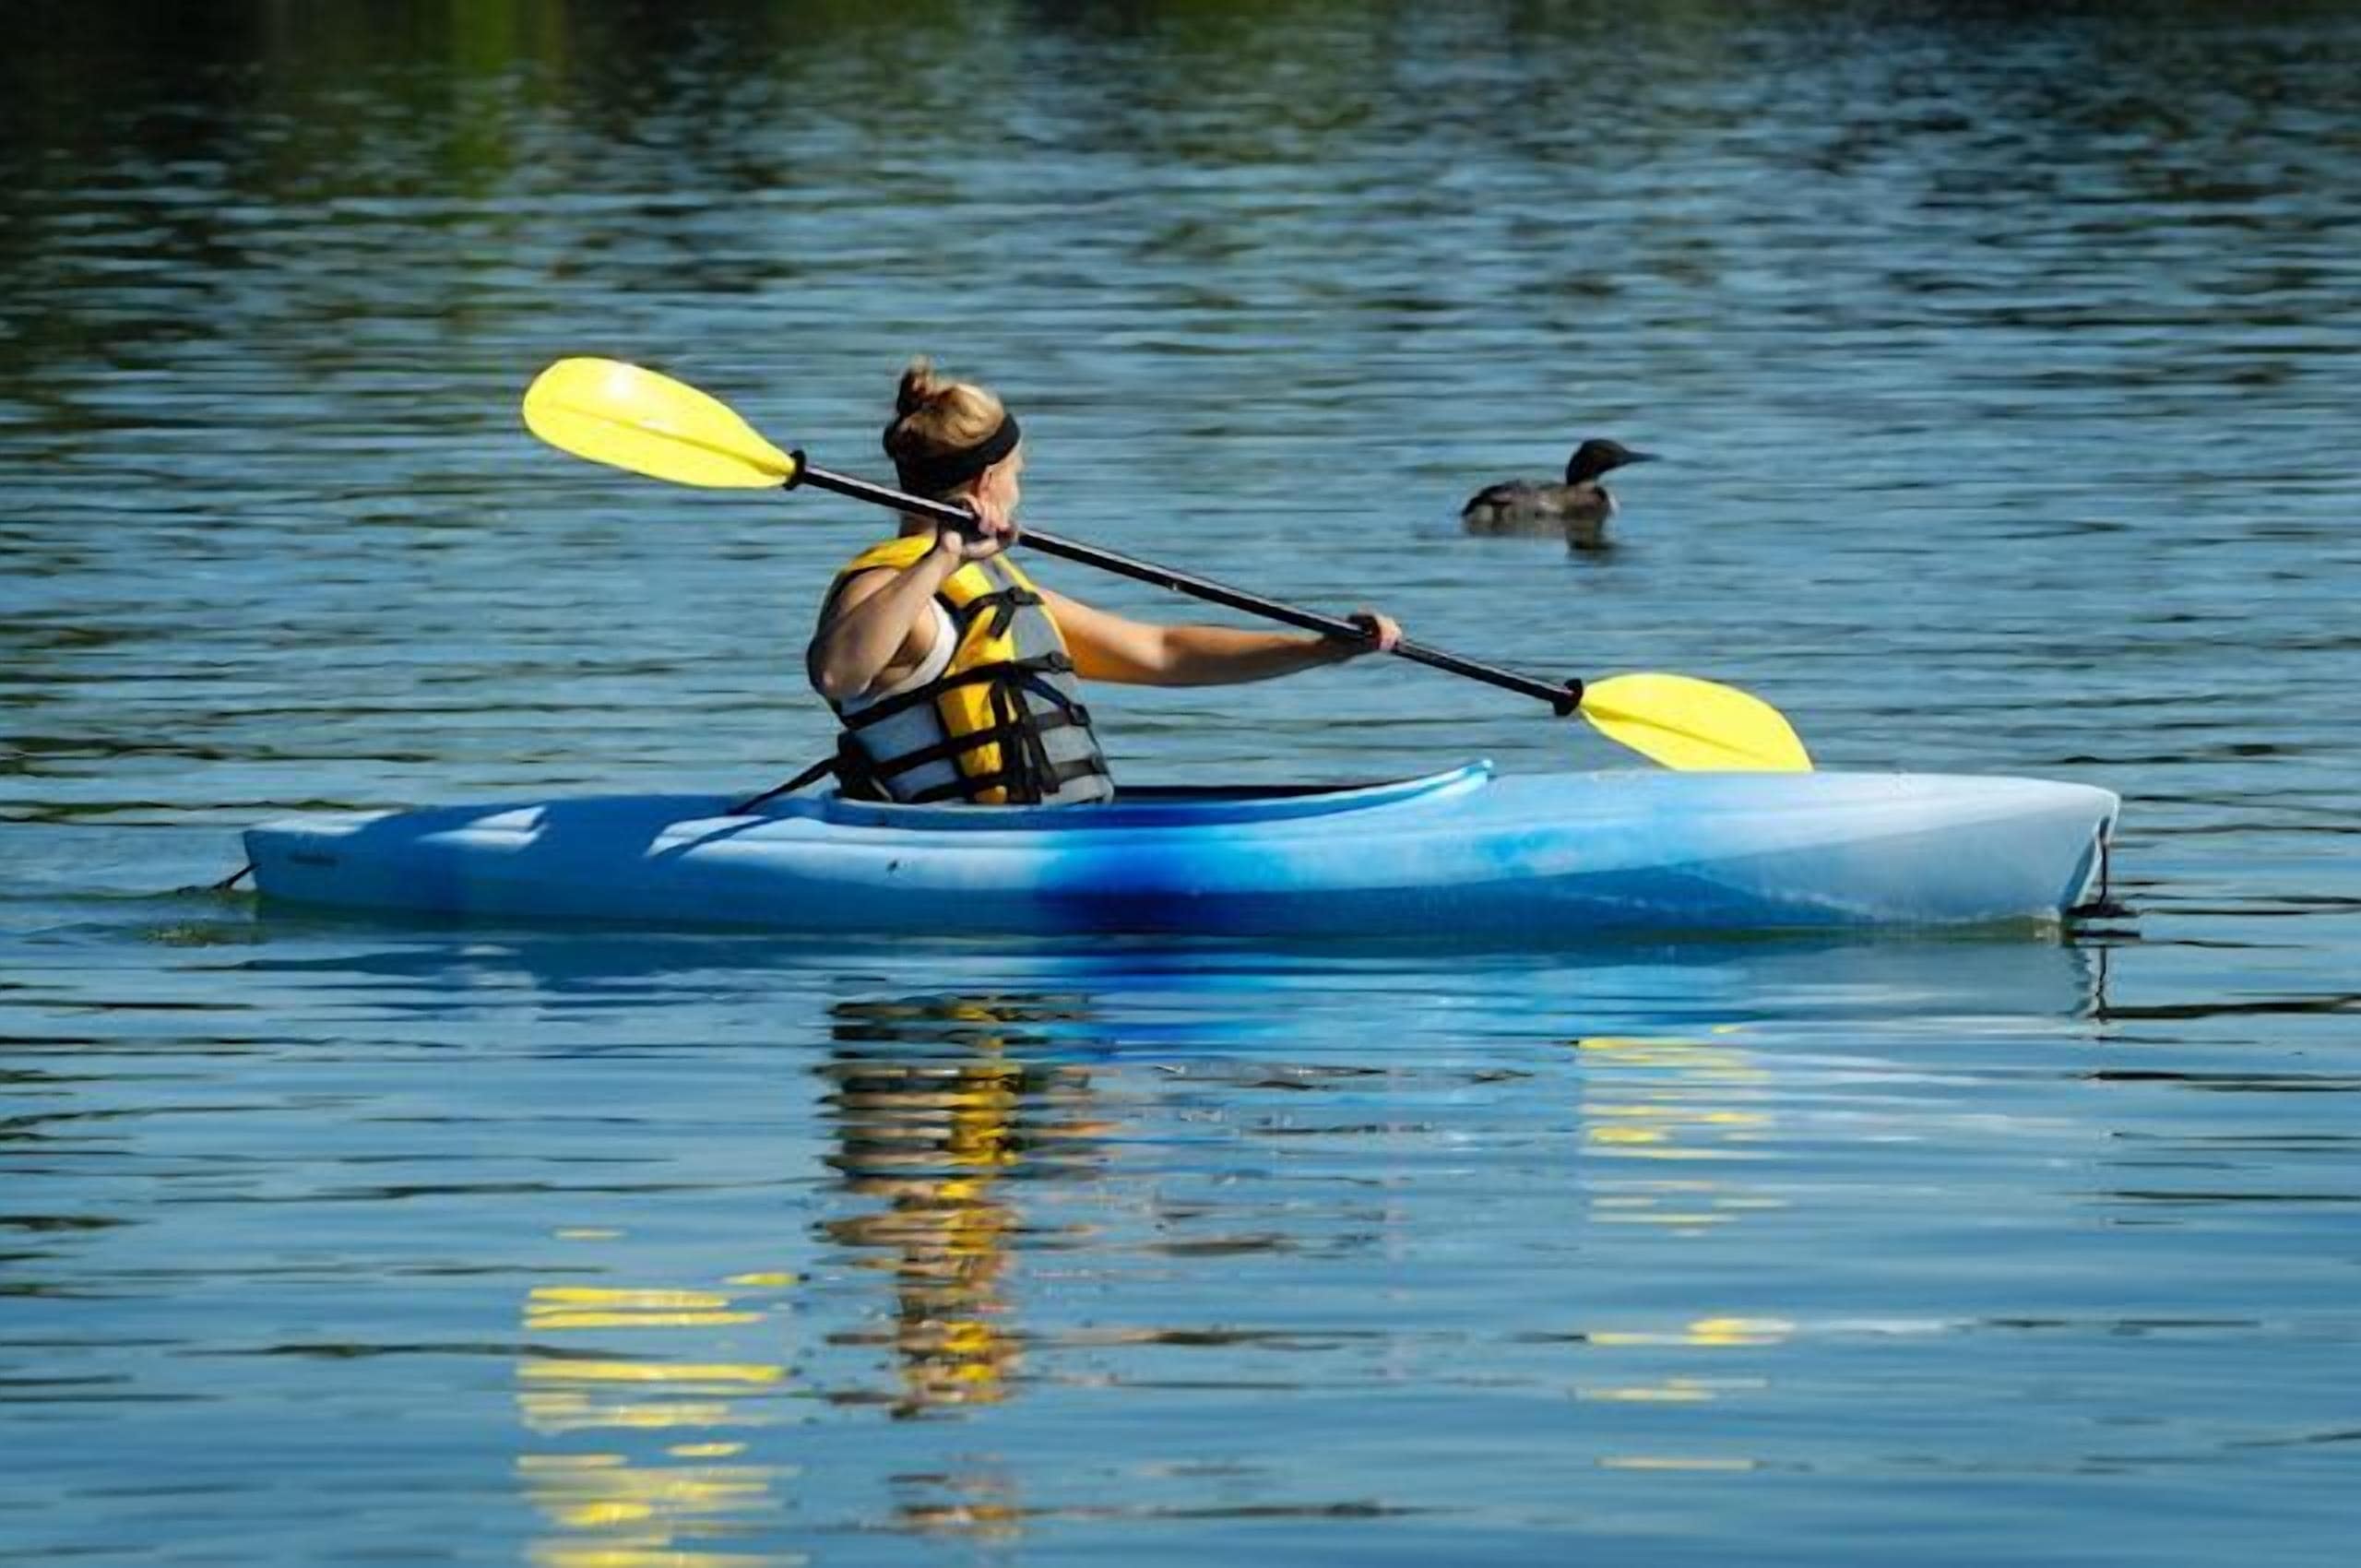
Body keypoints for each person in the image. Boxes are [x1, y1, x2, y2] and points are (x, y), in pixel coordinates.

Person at [806, 359, 1402, 805]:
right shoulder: (888, 583)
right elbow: (836, 673)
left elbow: (1162, 653)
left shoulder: (989, 588)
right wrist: (940, 558)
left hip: (1057, 837)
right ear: (988, 483)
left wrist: (1322, 650)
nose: (1020, 488)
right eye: (1019, 474)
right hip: (966, 856)